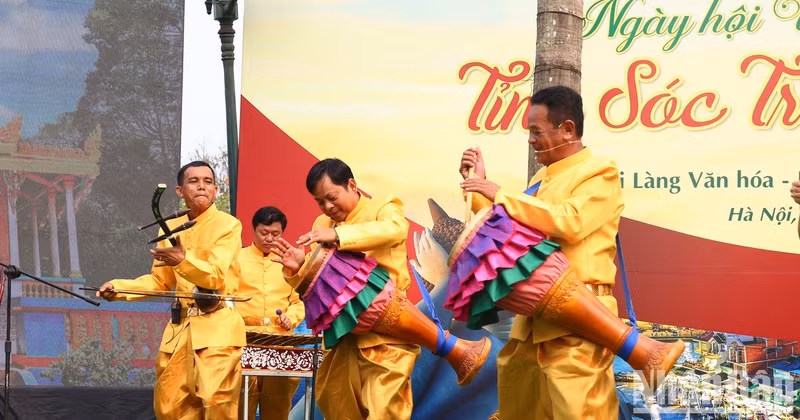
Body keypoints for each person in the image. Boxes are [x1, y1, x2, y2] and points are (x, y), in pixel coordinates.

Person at [460, 86, 624, 419]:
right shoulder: (541, 179)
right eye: (529, 133)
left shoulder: (600, 171)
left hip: (579, 322)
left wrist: (498, 192)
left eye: (537, 132)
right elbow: (510, 230)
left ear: (567, 129)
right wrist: (479, 187)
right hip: (531, 326)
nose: (532, 141)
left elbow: (570, 221)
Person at [271, 158, 420, 420]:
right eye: (320, 202)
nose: (327, 207)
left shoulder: (384, 207)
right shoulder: (322, 224)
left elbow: (395, 230)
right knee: (336, 406)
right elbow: (320, 283)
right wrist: (298, 270)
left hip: (387, 334)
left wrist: (340, 236)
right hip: (342, 341)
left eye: (332, 197)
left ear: (352, 185)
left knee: (385, 411)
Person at [97, 161, 245, 419]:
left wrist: (182, 260)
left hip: (218, 327)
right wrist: (119, 288)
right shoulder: (170, 228)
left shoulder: (229, 225)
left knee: (216, 403)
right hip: (180, 329)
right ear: (179, 191)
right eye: (194, 181)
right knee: (169, 406)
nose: (202, 186)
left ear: (216, 189)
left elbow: (216, 275)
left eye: (208, 181)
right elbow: (160, 282)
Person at [236, 206, 305, 420]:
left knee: (277, 410)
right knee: (240, 408)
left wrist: (290, 317)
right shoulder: (237, 259)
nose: (269, 238)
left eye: (275, 234)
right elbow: (227, 298)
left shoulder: (290, 262)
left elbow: (298, 302)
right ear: (253, 230)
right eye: (263, 233)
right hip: (243, 341)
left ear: (282, 233)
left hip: (280, 342)